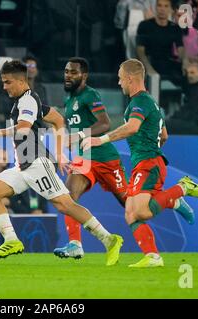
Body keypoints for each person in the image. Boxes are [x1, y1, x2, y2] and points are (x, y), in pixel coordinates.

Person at [0, 60, 123, 265]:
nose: (4, 87)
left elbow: (23, 128)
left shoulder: (28, 101)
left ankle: (109, 238)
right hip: (22, 166)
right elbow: (58, 119)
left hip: (37, 164)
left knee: (65, 204)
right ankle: (12, 240)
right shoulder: (28, 100)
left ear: (21, 81)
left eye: (7, 82)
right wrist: (59, 154)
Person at [81, 59, 198, 268]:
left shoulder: (140, 101)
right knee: (131, 212)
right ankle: (153, 256)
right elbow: (164, 135)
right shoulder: (151, 103)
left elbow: (132, 128)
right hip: (145, 161)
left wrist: (101, 139)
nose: (119, 83)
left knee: (140, 211)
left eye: (121, 78)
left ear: (130, 78)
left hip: (149, 162)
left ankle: (182, 188)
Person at [51, 57, 128, 259]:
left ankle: (174, 197)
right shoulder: (69, 101)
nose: (68, 75)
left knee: (131, 205)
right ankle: (75, 244)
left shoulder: (90, 95)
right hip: (84, 158)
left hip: (105, 158)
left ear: (84, 76)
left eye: (73, 72)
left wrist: (78, 135)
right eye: (66, 71)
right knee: (67, 198)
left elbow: (105, 123)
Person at [136, 0, 186, 85]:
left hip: (167, 63)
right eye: (159, 6)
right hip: (150, 61)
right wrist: (148, 68)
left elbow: (181, 49)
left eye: (166, 6)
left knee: (189, 73)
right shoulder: (144, 25)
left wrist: (185, 62)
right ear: (156, 7)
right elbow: (140, 51)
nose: (162, 9)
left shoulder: (175, 28)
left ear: (171, 10)